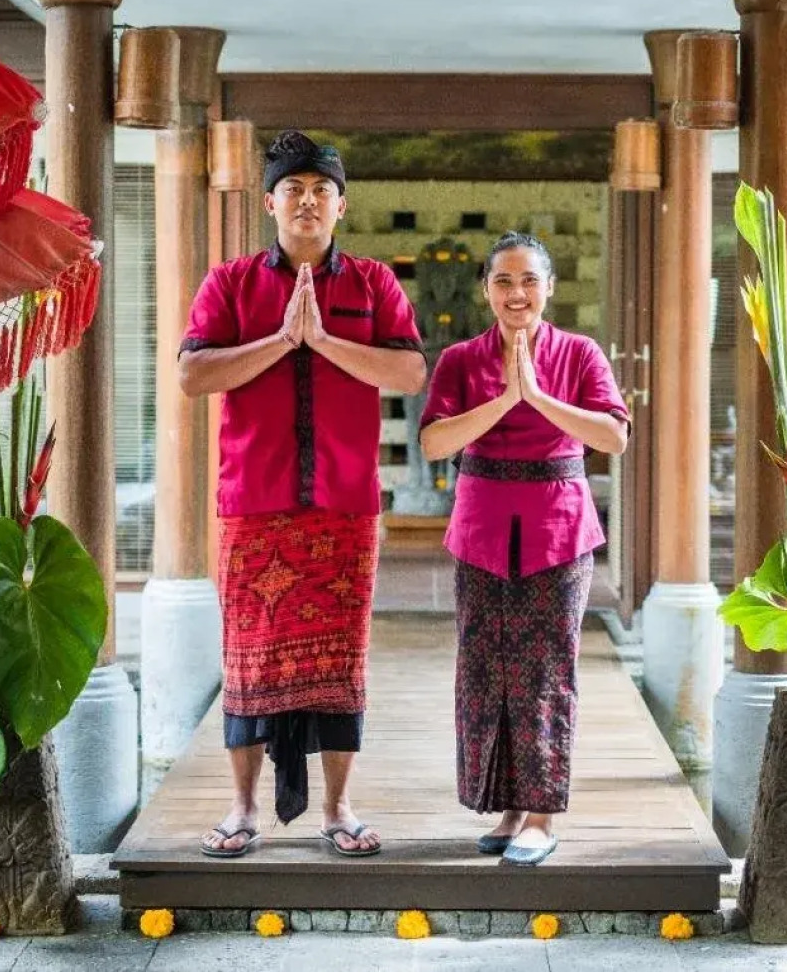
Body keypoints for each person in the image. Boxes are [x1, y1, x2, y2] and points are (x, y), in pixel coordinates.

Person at [178, 130, 426, 859]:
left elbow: (409, 373)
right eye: (294, 189)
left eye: (322, 190)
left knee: (341, 661)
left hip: (345, 503)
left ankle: (338, 808)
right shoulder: (229, 283)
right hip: (253, 501)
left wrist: (322, 340)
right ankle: (242, 807)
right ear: (270, 203)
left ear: (341, 206)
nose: (308, 202)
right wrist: (282, 340)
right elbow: (193, 375)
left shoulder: (374, 283)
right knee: (249, 658)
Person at [419, 232, 629, 867]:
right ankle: (508, 805)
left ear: (549, 288)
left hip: (557, 530)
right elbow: (434, 443)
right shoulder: (459, 360)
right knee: (486, 669)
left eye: (529, 280)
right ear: (486, 289)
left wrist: (537, 397)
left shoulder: (580, 352)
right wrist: (505, 399)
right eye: (504, 281)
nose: (517, 293)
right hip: (481, 528)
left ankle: (541, 815)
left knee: (545, 671)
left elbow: (614, 437)